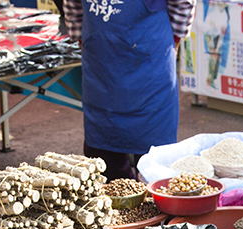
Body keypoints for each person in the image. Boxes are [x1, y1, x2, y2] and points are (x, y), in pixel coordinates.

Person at [62, 0, 196, 180]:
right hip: (100, 59)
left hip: (151, 57)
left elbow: (183, 3)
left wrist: (175, 40)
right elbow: (72, 5)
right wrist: (81, 37)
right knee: (105, 165)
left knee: (155, 165)